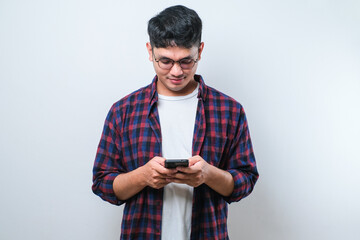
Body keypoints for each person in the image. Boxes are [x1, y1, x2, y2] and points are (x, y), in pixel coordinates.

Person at [92, 5, 258, 240]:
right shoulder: (123, 111)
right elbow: (102, 183)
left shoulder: (230, 111)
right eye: (166, 61)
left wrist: (208, 174)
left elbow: (246, 181)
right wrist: (142, 176)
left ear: (200, 50)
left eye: (186, 61)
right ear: (150, 51)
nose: (177, 71)